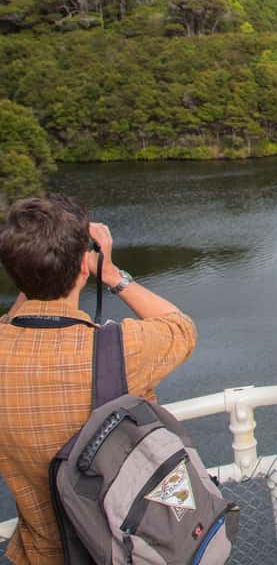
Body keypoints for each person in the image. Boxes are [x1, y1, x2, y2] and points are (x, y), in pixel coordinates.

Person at [0, 194, 197, 565]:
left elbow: (16, 319)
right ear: (81, 266)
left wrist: (35, 268)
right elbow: (180, 328)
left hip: (42, 554)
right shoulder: (118, 350)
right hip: (121, 550)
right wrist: (111, 274)